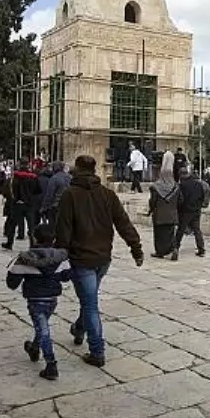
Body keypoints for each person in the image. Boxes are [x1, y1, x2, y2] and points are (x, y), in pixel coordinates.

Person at [55, 155, 144, 368]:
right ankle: (78, 329)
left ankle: (97, 351)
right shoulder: (107, 194)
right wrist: (136, 248)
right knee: (90, 299)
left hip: (82, 258)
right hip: (103, 257)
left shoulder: (70, 195)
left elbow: (63, 229)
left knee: (90, 303)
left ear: (77, 169)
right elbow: (124, 224)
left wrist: (58, 255)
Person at [7, 223, 73, 381]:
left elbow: (12, 283)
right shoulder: (61, 257)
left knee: (43, 330)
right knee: (41, 326)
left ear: (34, 237)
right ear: (54, 239)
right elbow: (67, 275)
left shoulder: (25, 258)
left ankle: (51, 365)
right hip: (52, 299)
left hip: (36, 299)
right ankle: (34, 348)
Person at [148, 151, 183, 258]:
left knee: (159, 235)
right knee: (170, 233)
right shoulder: (176, 187)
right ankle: (173, 249)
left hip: (159, 215)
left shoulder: (155, 187)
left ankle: (160, 252)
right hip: (171, 214)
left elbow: (152, 201)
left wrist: (151, 209)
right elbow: (181, 200)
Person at [2, 160, 40, 249]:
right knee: (31, 226)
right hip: (29, 204)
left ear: (19, 165)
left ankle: (9, 243)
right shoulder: (33, 177)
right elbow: (38, 190)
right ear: (28, 165)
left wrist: (14, 199)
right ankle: (33, 243)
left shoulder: (14, 177)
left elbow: (8, 190)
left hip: (17, 204)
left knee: (12, 224)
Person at [174, 166, 209, 259]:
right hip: (196, 210)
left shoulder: (181, 186)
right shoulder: (198, 184)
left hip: (185, 211)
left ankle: (175, 248)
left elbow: (180, 199)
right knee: (197, 230)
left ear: (181, 175)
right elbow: (202, 196)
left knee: (180, 230)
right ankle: (201, 249)